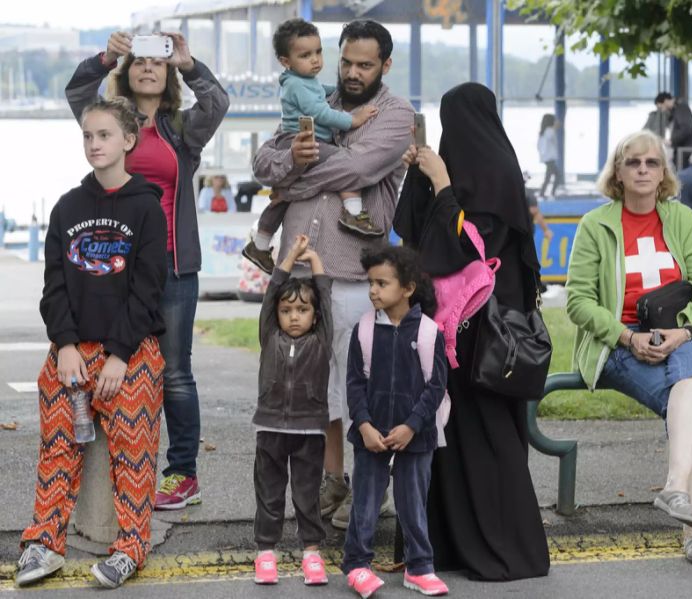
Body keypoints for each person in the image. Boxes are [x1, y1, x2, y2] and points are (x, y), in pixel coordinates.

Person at [252, 19, 414, 530]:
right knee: (311, 388)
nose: (350, 72)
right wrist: (283, 169)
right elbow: (261, 162)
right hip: (299, 271)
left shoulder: (395, 115)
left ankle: (372, 485)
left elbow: (355, 171)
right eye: (345, 61)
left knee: (362, 386)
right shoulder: (309, 95)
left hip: (354, 275)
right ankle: (331, 480)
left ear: (386, 65)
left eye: (364, 64)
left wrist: (290, 182)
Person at [66, 31, 229, 510]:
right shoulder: (112, 123)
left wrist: (190, 62)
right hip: (115, 269)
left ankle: (182, 474)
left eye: (157, 62)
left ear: (169, 73)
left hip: (174, 266)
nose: (147, 68)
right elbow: (78, 94)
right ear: (127, 70)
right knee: (116, 363)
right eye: (137, 61)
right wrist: (106, 56)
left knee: (175, 372)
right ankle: (118, 470)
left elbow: (218, 102)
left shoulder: (183, 128)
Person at [394, 82, 550, 580]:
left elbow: (466, 246)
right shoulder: (456, 168)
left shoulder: (496, 172)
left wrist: (440, 183)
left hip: (486, 336)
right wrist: (419, 178)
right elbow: (415, 239)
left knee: (486, 436)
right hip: (450, 330)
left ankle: (507, 551)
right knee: (444, 437)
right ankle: (445, 545)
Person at [16, 98, 167, 589]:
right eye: (87, 136)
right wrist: (63, 346)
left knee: (134, 452)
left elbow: (148, 288)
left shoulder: (146, 207)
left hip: (131, 350)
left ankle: (130, 548)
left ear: (128, 141)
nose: (94, 144)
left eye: (103, 135)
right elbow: (54, 285)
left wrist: (121, 355)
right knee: (59, 446)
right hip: (72, 351)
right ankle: (44, 543)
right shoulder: (67, 207)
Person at [566, 130, 692, 565]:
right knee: (691, 403)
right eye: (632, 162)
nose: (642, 170)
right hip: (617, 338)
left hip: (679, 330)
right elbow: (578, 301)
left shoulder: (682, 219)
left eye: (651, 163)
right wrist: (627, 336)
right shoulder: (595, 225)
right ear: (617, 171)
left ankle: (675, 491)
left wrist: (686, 330)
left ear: (663, 173)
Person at [342, 245, 450, 598]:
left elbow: (436, 386)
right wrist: (364, 425)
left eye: (382, 283)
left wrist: (413, 425)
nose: (373, 290)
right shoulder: (363, 331)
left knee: (413, 503)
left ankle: (419, 568)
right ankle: (357, 565)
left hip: (415, 437)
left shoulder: (430, 332)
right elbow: (355, 384)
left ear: (407, 288)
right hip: (370, 435)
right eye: (371, 283)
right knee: (365, 503)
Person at [242, 19, 382, 275]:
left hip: (301, 141)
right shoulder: (296, 85)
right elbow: (320, 112)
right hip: (302, 140)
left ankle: (260, 243)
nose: (315, 60)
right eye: (305, 55)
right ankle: (354, 212)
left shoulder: (305, 80)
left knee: (282, 198)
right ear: (286, 61)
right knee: (345, 163)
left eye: (318, 52)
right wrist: (354, 119)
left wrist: (340, 91)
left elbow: (323, 91)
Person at [251, 234, 331, 587]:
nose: (293, 317)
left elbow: (325, 298)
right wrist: (288, 259)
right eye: (287, 311)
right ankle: (265, 551)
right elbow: (271, 296)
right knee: (269, 493)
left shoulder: (321, 340)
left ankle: (311, 551)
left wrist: (314, 262)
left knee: (306, 494)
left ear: (314, 316)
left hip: (309, 431)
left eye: (302, 310)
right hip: (270, 428)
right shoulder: (270, 336)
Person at [655, 92, 692, 170]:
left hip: (686, 152)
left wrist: (671, 141)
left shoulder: (681, 108)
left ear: (665, 101)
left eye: (661, 107)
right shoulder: (675, 111)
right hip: (682, 152)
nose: (662, 110)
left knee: (683, 178)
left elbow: (687, 128)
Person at [537, 113, 561, 198]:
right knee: (557, 175)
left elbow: (540, 146)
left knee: (549, 176)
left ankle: (544, 193)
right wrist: (555, 127)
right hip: (549, 158)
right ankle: (551, 193)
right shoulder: (549, 130)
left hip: (547, 158)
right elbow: (550, 137)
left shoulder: (543, 132)